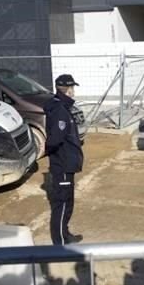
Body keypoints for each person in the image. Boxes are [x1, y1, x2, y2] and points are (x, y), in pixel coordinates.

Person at [44, 74, 84, 245]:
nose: (73, 92)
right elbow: (55, 139)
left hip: (67, 162)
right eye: (72, 88)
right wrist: (55, 154)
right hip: (63, 164)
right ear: (67, 89)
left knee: (68, 201)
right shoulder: (60, 110)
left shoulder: (61, 106)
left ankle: (65, 233)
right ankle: (59, 243)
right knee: (61, 203)